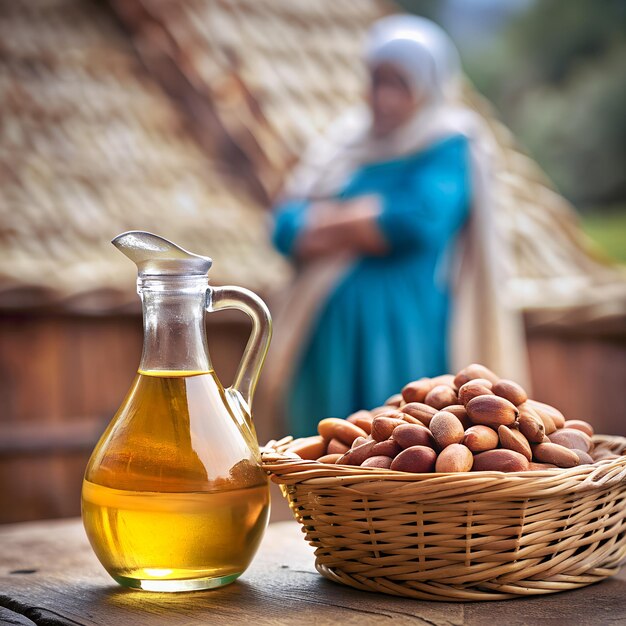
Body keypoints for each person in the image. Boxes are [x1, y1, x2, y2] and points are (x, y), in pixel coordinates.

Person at [267, 15, 529, 437]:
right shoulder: (344, 143)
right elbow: (284, 227)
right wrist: (368, 215)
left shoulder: (449, 141)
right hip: (325, 340)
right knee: (326, 451)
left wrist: (326, 222)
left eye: (399, 83)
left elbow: (418, 220)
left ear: (429, 84)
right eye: (376, 80)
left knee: (407, 444)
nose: (382, 97)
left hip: (402, 337)